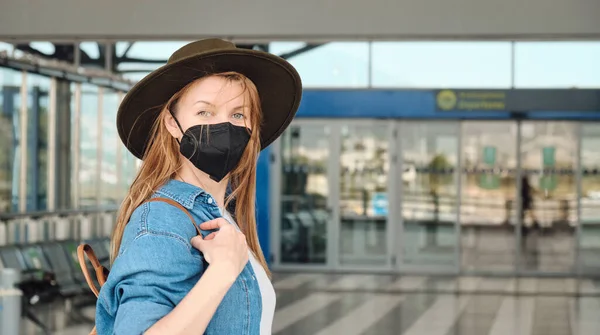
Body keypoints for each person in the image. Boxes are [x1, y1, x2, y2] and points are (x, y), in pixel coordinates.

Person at [95, 38, 302, 335]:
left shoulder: (219, 214)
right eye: (205, 112)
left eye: (238, 115)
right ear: (171, 123)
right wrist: (221, 272)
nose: (224, 126)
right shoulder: (162, 221)